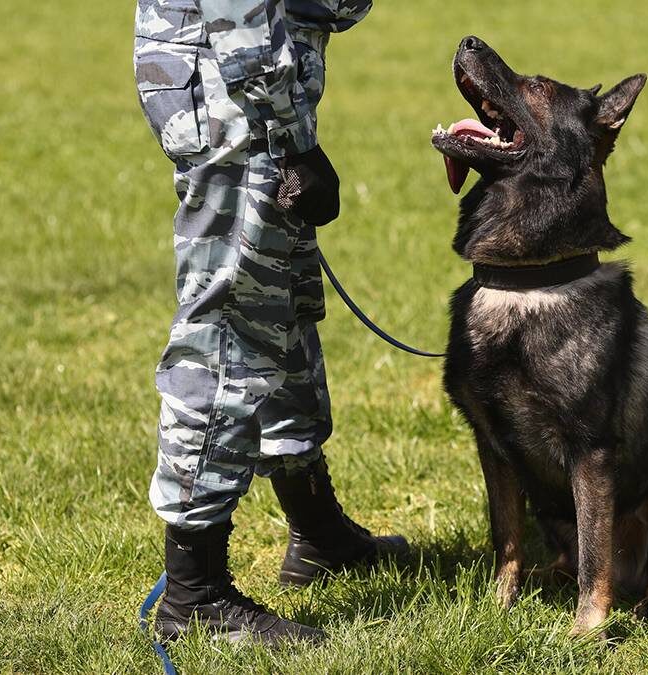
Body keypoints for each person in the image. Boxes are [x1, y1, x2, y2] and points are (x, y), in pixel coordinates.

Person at [132, 0, 408, 646]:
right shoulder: (260, 98)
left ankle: (318, 531)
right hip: (240, 97)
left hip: (247, 91)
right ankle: (194, 593)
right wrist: (290, 134)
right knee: (227, 335)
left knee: (279, 305)